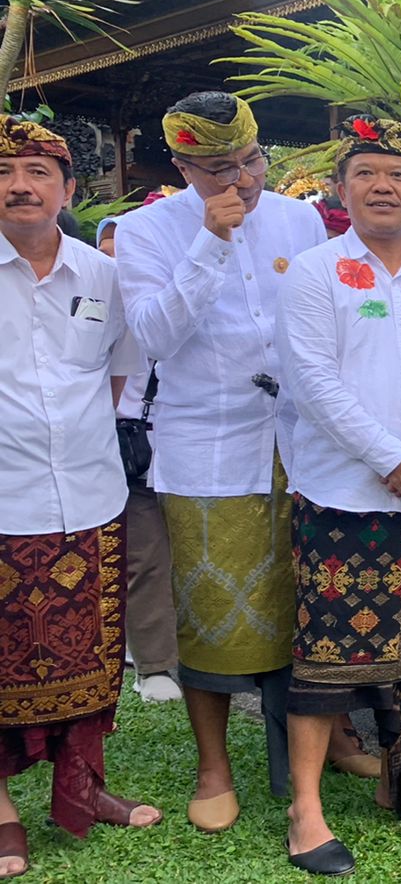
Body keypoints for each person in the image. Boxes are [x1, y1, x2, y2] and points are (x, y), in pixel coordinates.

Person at [114, 91, 346, 834]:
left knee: (317, 607)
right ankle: (214, 764)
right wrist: (210, 242)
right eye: (217, 170)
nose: (241, 182)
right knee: (210, 612)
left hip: (304, 445)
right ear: (182, 166)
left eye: (250, 162)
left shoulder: (300, 218)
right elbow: (152, 337)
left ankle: (333, 740)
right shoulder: (148, 230)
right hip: (210, 449)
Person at [276, 115, 401, 875]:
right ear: (342, 191)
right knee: (327, 658)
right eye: (365, 173)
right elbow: (313, 381)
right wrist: (392, 457)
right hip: (342, 495)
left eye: (397, 175)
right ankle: (307, 810)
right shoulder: (315, 272)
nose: (382, 186)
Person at [0, 116, 162, 879]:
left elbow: (117, 376)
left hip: (91, 502)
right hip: (3, 503)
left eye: (37, 170)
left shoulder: (103, 277)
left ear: (69, 189)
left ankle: (83, 786)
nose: (19, 184)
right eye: (5, 171)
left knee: (87, 658)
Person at [95, 211, 184, 705]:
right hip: (130, 453)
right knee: (146, 558)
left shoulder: (172, 305)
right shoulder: (94, 310)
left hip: (190, 448)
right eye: (109, 253)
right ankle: (153, 664)